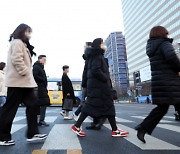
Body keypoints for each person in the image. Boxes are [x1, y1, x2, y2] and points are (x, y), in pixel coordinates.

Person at [0, 24, 47, 146]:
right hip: (17, 82)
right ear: (22, 32)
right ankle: (3, 137)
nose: (29, 35)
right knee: (9, 109)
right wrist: (26, 72)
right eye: (27, 32)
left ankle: (32, 133)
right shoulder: (17, 42)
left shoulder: (22, 44)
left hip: (24, 83)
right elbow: (17, 59)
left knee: (33, 105)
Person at [71, 38, 129, 137]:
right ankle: (114, 130)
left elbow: (87, 72)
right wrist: (106, 78)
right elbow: (96, 70)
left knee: (99, 107)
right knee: (107, 107)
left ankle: (114, 129)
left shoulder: (92, 56)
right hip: (100, 87)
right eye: (103, 43)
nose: (105, 45)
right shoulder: (97, 56)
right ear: (99, 45)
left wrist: (86, 84)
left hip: (95, 87)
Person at [135, 26, 180, 143]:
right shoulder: (164, 44)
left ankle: (143, 128)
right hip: (171, 82)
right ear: (162, 33)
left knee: (162, 108)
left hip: (159, 82)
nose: (167, 34)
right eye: (166, 33)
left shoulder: (152, 48)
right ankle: (143, 128)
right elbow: (171, 58)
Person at [33, 55, 50, 126]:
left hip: (41, 88)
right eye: (44, 59)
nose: (45, 61)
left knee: (40, 104)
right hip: (39, 88)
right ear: (40, 59)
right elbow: (35, 75)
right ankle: (41, 120)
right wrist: (43, 80)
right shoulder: (37, 67)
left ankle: (39, 120)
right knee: (43, 103)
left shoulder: (40, 67)